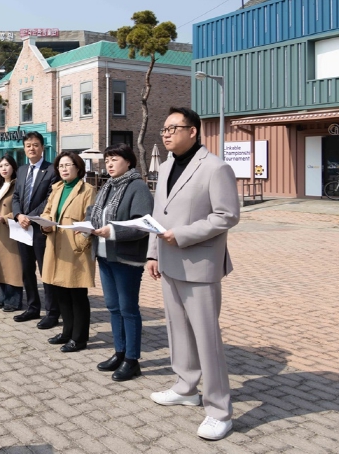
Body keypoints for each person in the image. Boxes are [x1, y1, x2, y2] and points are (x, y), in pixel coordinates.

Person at [147, 107, 240, 441]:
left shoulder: (216, 167)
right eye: (164, 128)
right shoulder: (167, 165)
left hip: (199, 264)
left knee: (206, 338)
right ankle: (186, 387)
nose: (167, 133)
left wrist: (183, 234)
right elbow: (159, 214)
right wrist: (152, 253)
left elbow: (227, 215)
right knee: (178, 332)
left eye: (174, 127)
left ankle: (219, 410)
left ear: (194, 132)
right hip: (169, 261)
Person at [87, 144, 154, 381]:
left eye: (114, 159)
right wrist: (87, 226)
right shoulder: (106, 186)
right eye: (107, 160)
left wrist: (112, 231)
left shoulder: (138, 187)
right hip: (105, 256)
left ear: (128, 161)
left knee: (128, 309)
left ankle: (132, 359)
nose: (109, 164)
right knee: (113, 307)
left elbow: (142, 225)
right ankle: (119, 352)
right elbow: (94, 212)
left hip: (126, 259)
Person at [39, 151, 96, 352]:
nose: (63, 169)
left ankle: (79, 338)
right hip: (55, 246)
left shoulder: (87, 190)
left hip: (75, 250)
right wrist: (44, 224)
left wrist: (81, 241)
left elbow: (91, 219)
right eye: (60, 166)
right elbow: (47, 212)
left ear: (78, 167)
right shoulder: (56, 188)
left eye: (67, 165)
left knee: (77, 295)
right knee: (60, 292)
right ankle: (67, 332)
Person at [11, 131, 59, 328]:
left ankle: (52, 311)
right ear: (24, 148)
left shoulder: (52, 170)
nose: (32, 148)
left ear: (42, 147)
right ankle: (32, 307)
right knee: (27, 270)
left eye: (36, 145)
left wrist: (30, 217)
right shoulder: (21, 170)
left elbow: (50, 198)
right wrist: (18, 215)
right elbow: (15, 197)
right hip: (22, 228)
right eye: (28, 145)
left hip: (40, 228)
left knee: (45, 270)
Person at [0, 155, 23, 311]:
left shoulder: (18, 185)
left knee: (13, 266)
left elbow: (21, 208)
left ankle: (15, 300)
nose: (4, 168)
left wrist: (7, 217)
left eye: (7, 165)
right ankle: (4, 295)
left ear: (14, 167)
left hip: (11, 229)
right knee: (1, 264)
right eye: (1, 166)